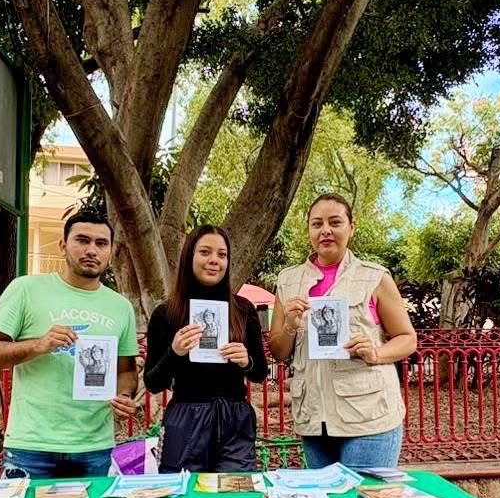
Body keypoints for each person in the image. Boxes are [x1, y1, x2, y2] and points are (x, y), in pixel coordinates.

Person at [0, 210, 139, 479]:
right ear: (63, 245)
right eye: (82, 240)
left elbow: (126, 370)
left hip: (95, 447)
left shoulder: (121, 307)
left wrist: (124, 397)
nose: (91, 250)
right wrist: (38, 345)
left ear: (110, 252)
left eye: (101, 243)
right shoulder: (26, 289)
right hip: (32, 445)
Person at [269, 193, 418, 469]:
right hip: (314, 421)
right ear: (308, 230)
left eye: (335, 222)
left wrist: (375, 353)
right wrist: (290, 324)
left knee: (363, 496)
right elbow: (278, 351)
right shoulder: (288, 281)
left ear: (352, 227)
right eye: (317, 224)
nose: (325, 230)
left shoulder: (374, 277)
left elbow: (407, 339)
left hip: (369, 418)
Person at [144, 225, 269, 472]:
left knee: (235, 490)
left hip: (234, 418)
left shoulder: (243, 310)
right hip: (186, 417)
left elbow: (260, 373)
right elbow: (153, 383)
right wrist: (174, 353)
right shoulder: (166, 313)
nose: (214, 260)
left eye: (222, 255)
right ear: (189, 256)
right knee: (185, 491)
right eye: (205, 252)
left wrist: (247, 361)